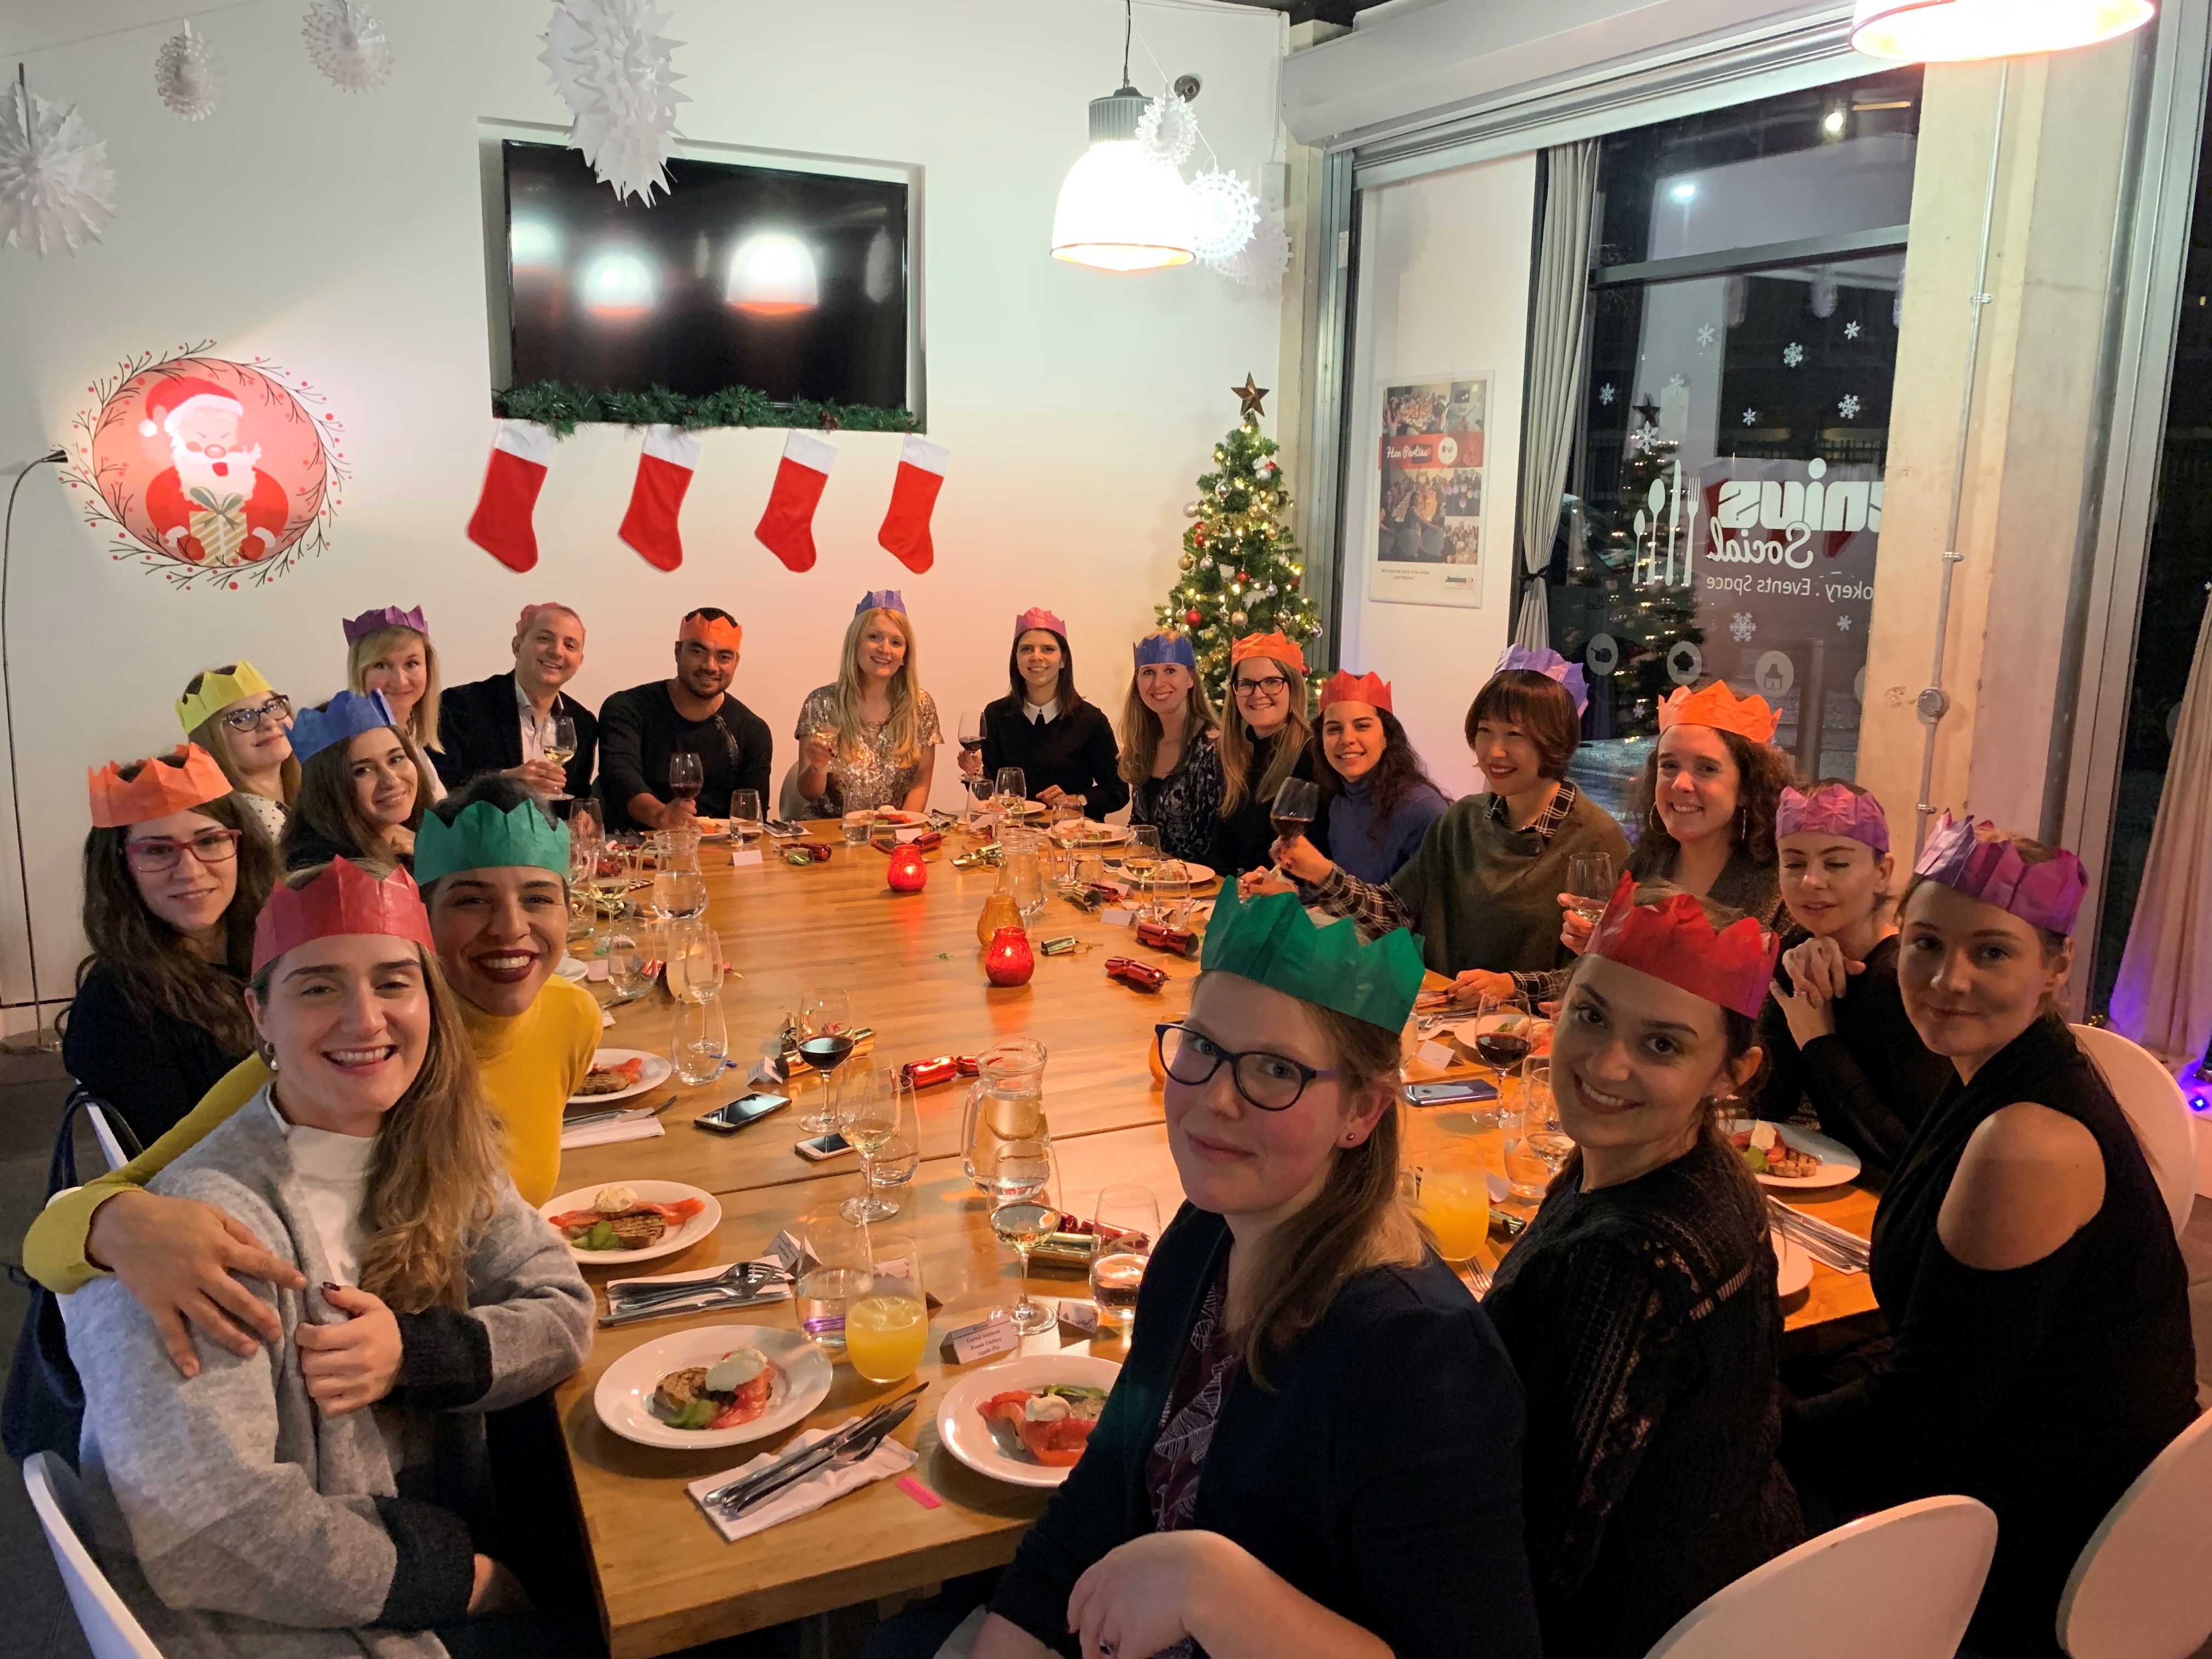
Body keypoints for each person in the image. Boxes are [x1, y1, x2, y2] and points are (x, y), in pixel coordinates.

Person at [968, 889, 1539, 1659]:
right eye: (1201, 1046)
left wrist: (1214, 1586)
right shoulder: (1204, 1238)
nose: (1216, 1099)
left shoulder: (1418, 1359)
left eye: (1275, 1070)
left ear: (1363, 1113)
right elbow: (1096, 1505)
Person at [59, 856, 595, 1658]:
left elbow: (561, 1306)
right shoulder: (204, 1236)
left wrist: (414, 1354)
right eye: (317, 987)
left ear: (430, 1002)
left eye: (392, 982)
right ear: (259, 1016)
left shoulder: (434, 1143)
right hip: (303, 1625)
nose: (364, 1020)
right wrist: (467, 1582)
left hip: (407, 1542)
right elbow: (210, 1524)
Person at [1786, 816, 2198, 1659]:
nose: (1947, 980)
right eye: (1927, 943)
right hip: (2027, 1451)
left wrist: (1755, 1424)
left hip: (2045, 1541)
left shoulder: (2026, 1141)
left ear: (2056, 969)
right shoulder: (2008, 1067)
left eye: (1993, 953)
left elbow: (1917, 1421)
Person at [25, 774, 600, 1371]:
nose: (510, 927)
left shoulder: (573, 1017)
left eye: (538, 897)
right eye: (471, 900)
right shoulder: (351, 1061)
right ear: (424, 920)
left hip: (495, 1337)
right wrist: (114, 1224)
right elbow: (55, 1235)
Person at [1483, 878, 1801, 1658]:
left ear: (1734, 1071)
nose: (1607, 1065)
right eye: (1590, 1016)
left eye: (1662, 1043)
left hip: (1643, 1627)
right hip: (1751, 1579)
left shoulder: (1624, 1257)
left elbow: (1545, 1548)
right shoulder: (1690, 1164)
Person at [1261, 648, 1629, 997]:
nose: (1494, 751)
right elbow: (1396, 914)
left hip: (1531, 1040)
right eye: (1485, 731)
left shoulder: (1595, 838)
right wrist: (1323, 874)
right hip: (1442, 1018)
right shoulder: (1462, 821)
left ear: (1556, 741)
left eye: (1514, 735)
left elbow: (1611, 970)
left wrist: (1514, 986)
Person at [65, 745, 280, 1147]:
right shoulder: (115, 1010)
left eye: (210, 841)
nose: (191, 871)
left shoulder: (283, 949)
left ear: (242, 848)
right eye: (158, 851)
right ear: (120, 869)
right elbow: (176, 1166)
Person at [1755, 782, 1950, 1181]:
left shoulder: (1906, 981)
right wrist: (1787, 980)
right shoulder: (1797, 950)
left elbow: (1915, 1161)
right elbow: (1766, 1107)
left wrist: (1819, 1043)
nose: (1811, 881)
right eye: (1794, 864)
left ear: (1883, 872)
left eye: (1836, 864)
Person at [597, 607, 774, 833]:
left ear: (736, 662)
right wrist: (661, 816)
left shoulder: (752, 730)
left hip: (720, 856)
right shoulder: (627, 708)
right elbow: (620, 778)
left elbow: (751, 817)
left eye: (724, 657)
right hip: (635, 851)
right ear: (678, 651)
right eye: (698, 651)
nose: (710, 666)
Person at [958, 607, 1128, 816]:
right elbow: (989, 795)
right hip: (1013, 834)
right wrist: (976, 772)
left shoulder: (1091, 720)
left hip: (1072, 837)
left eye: (1047, 649)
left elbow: (1117, 792)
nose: (1036, 657)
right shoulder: (996, 714)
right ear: (1016, 659)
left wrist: (1076, 800)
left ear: (1063, 659)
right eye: (1027, 649)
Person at [789, 591, 940, 817]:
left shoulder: (920, 705)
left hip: (892, 832)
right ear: (855, 644)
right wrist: (817, 767)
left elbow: (920, 783)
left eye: (896, 642)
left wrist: (900, 831)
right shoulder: (821, 702)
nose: (885, 649)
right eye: (874, 637)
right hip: (831, 835)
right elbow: (809, 794)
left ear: (905, 657)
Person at [1297, 670, 1448, 883]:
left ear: (1387, 736)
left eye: (1362, 726)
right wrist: (1290, 892)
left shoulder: (1421, 809)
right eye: (1334, 729)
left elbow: (1413, 911)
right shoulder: (1339, 803)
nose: (1347, 738)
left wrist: (1326, 877)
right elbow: (1341, 898)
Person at [435, 602, 596, 799]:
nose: (557, 652)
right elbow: (438, 782)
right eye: (544, 639)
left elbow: (577, 795)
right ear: (517, 647)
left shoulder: (583, 723)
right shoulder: (460, 704)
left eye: (569, 645)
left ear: (579, 661)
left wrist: (582, 814)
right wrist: (505, 781)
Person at [280, 690, 432, 870]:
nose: (391, 780)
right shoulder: (330, 871)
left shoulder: (415, 837)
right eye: (363, 770)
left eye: (396, 759)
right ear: (326, 787)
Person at [1207, 631, 1315, 877]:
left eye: (1272, 681)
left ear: (1293, 688)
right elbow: (1220, 853)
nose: (1258, 694)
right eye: (1246, 683)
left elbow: (1312, 862)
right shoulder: (1239, 756)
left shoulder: (1311, 756)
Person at [1120, 631, 1225, 865]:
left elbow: (1208, 848)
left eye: (1170, 670)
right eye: (1148, 673)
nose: (1158, 683)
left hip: (1197, 891)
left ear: (1190, 679)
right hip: (1150, 883)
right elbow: (1139, 826)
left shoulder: (1212, 750)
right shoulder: (1145, 744)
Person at [177, 660, 297, 842]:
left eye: (272, 707)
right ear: (211, 742)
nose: (269, 723)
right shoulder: (257, 821)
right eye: (241, 718)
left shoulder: (297, 802)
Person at [344, 603, 446, 803]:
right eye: (381, 665)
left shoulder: (409, 734)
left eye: (411, 664)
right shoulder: (352, 750)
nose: (400, 681)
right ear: (359, 672)